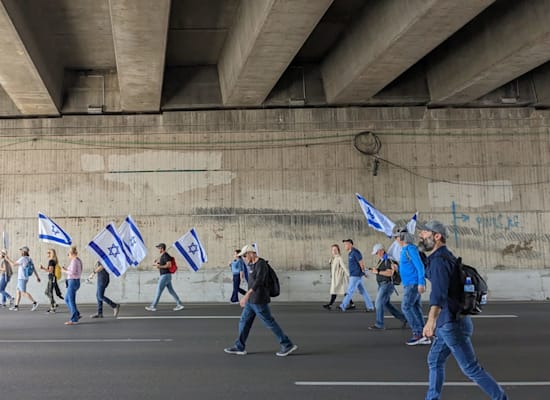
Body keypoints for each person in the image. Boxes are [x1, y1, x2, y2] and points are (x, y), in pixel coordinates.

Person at [420, 220, 508, 400]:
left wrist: (430, 321)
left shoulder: (439, 261)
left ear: (437, 236)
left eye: (425, 233)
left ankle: (501, 398)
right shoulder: (444, 258)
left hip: (451, 324)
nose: (421, 235)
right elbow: (430, 271)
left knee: (471, 368)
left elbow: (438, 294)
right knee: (434, 360)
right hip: (451, 323)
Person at [224, 244, 298, 357]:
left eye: (244, 255)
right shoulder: (251, 264)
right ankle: (239, 346)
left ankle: (287, 344)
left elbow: (259, 282)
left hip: (259, 300)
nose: (243, 258)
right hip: (251, 301)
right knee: (244, 322)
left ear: (250, 253)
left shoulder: (261, 264)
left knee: (269, 323)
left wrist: (246, 296)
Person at [394, 228, 430, 345]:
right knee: (414, 307)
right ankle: (424, 334)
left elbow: (420, 266)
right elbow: (409, 267)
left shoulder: (410, 249)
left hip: (413, 283)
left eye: (397, 237)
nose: (396, 239)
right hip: (410, 283)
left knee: (406, 307)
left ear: (403, 238)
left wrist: (421, 282)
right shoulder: (406, 250)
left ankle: (418, 333)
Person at [368, 243, 407, 330]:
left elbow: (390, 273)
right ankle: (404, 318)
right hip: (383, 284)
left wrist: (377, 272)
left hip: (386, 284)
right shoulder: (383, 260)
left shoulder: (388, 260)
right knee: (386, 304)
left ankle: (379, 324)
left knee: (378, 303)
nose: (376, 254)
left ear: (382, 251)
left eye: (377, 252)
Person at [145, 243, 184, 312]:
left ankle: (153, 306)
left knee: (158, 290)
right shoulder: (163, 256)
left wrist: (159, 266)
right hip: (166, 276)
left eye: (159, 248)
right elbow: (164, 264)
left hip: (165, 276)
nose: (158, 250)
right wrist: (157, 264)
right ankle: (179, 304)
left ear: (162, 248)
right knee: (171, 291)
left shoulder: (166, 255)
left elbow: (169, 265)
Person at [338, 239, 374, 312]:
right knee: (363, 291)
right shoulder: (350, 253)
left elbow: (361, 263)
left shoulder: (355, 252)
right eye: (344, 244)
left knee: (350, 291)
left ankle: (343, 306)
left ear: (350, 244)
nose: (345, 246)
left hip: (356, 275)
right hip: (355, 275)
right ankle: (370, 307)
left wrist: (365, 272)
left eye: (346, 244)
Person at [6, 246, 40, 311]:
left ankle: (34, 302)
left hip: (22, 278)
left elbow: (13, 264)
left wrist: (7, 259)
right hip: (25, 278)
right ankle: (16, 306)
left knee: (23, 292)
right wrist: (37, 277)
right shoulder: (29, 259)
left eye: (21, 251)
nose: (20, 252)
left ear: (24, 252)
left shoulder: (22, 259)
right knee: (18, 292)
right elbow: (34, 269)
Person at [322, 244, 353, 310]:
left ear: (338, 250)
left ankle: (330, 305)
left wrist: (350, 276)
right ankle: (352, 304)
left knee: (338, 291)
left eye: (335, 249)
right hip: (335, 278)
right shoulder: (333, 258)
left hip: (340, 278)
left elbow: (344, 267)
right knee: (338, 291)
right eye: (333, 250)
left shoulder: (339, 258)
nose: (334, 251)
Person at [62, 246, 83, 325]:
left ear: (71, 254)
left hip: (73, 281)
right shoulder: (78, 260)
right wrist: (67, 270)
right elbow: (75, 271)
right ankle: (76, 314)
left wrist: (64, 270)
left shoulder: (74, 261)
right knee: (67, 299)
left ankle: (74, 319)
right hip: (75, 281)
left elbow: (73, 272)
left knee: (71, 300)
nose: (68, 256)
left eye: (68, 254)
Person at [39, 248, 63, 313]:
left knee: (49, 292)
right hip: (52, 278)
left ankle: (52, 307)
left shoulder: (51, 261)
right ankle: (54, 303)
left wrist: (42, 268)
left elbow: (50, 271)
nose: (47, 254)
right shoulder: (53, 261)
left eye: (49, 252)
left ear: (51, 254)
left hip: (52, 278)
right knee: (47, 292)